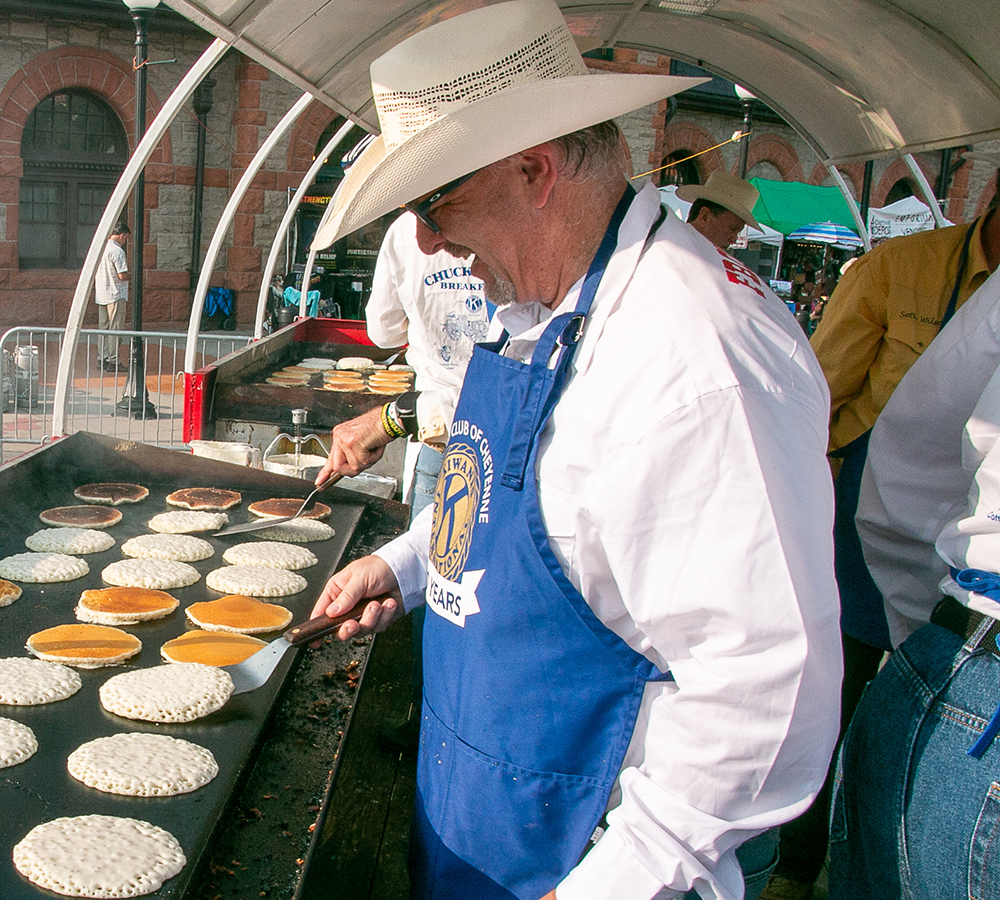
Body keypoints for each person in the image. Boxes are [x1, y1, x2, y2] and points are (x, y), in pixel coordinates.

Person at [306, 2, 841, 896]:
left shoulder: (695, 358)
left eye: (434, 204)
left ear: (533, 170)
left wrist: (608, 885)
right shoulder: (544, 310)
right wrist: (405, 564)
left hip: (587, 858)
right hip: (481, 809)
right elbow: (551, 512)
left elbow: (764, 686)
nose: (428, 241)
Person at [766, 195, 1000, 900]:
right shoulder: (898, 267)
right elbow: (818, 395)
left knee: (908, 721)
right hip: (867, 510)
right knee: (830, 696)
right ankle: (795, 861)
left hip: (959, 551)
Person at [836, 276, 1000, 895]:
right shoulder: (897, 268)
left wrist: (940, 647)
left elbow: (904, 474)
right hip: (958, 659)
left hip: (959, 653)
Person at [321, 211, 493, 520]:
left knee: (428, 557)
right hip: (452, 426)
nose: (431, 245)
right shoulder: (513, 219)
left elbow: (383, 333)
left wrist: (392, 418)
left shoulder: (405, 231)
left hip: (438, 434)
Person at [678, 170, 762, 251]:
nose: (734, 240)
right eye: (732, 229)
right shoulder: (671, 245)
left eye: (737, 233)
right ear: (705, 216)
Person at [95, 223, 130, 371]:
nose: (125, 241)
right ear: (122, 235)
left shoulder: (101, 247)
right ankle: (113, 360)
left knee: (103, 328)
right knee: (115, 328)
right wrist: (132, 277)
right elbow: (122, 275)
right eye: (125, 238)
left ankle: (101, 358)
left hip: (102, 293)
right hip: (115, 294)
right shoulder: (117, 251)